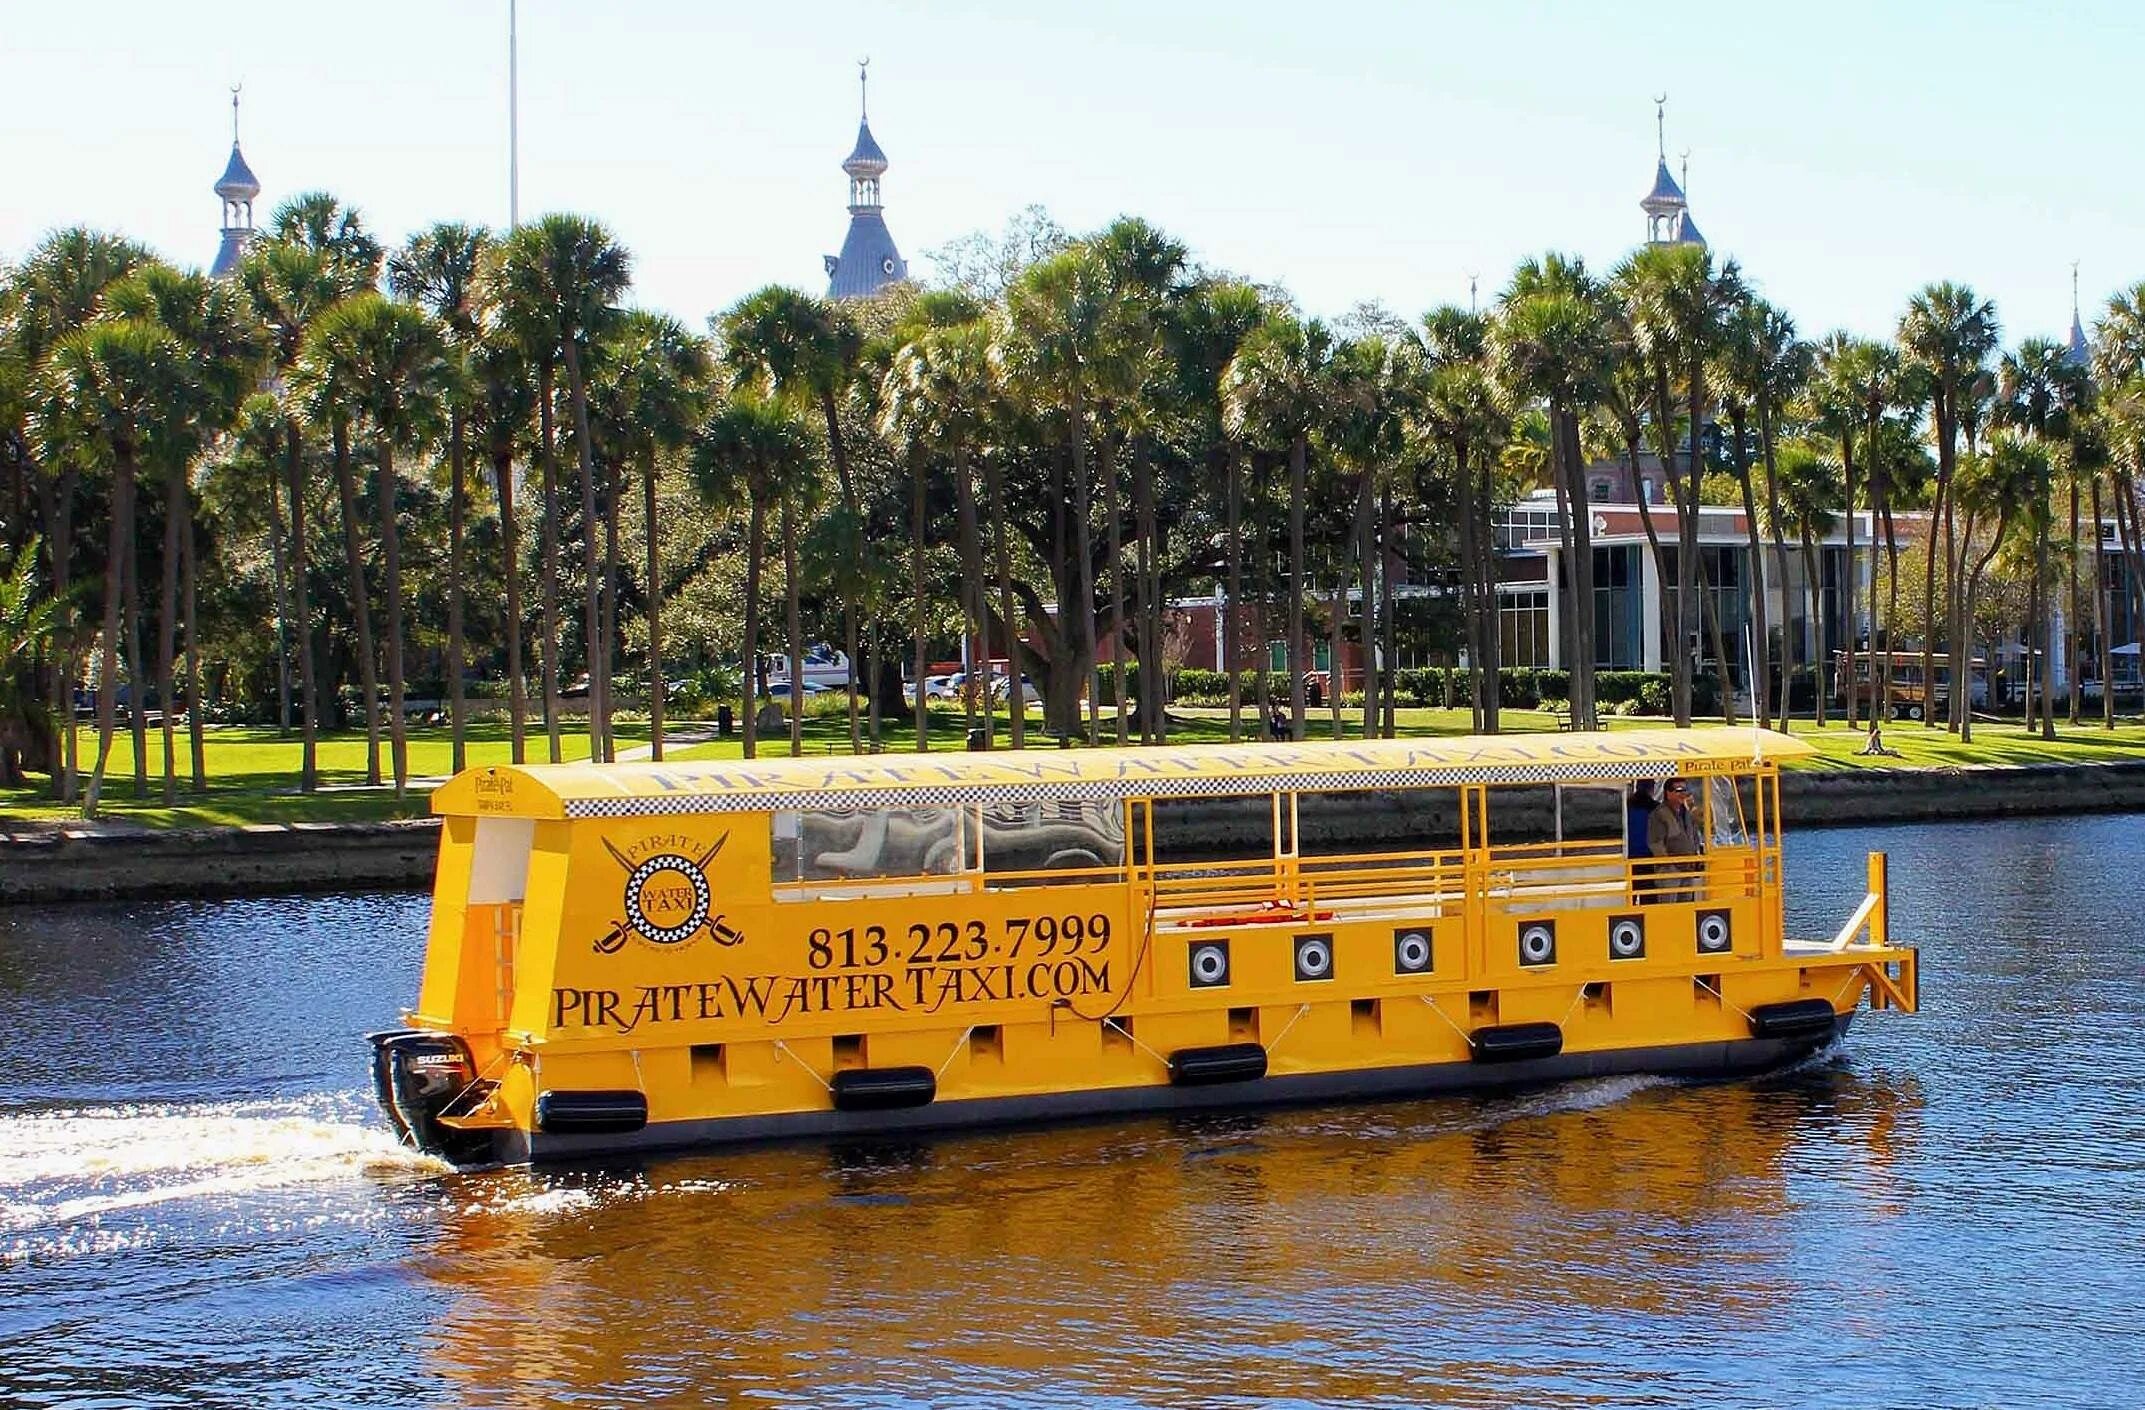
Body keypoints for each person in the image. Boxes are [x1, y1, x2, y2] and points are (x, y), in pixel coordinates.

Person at [1646, 777, 1704, 903]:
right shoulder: (1659, 814)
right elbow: (1655, 843)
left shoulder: (1687, 813)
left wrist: (1696, 858)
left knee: (1686, 907)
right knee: (1668, 909)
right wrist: (1669, 866)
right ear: (1668, 792)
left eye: (1685, 790)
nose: (1683, 793)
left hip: (1687, 870)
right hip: (1669, 874)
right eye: (1679, 790)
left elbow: (1694, 836)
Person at [1626, 780, 1657, 899]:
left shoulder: (1625, 805)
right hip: (1648, 857)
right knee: (1648, 896)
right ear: (1651, 789)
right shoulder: (1655, 808)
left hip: (1629, 856)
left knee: (1630, 896)